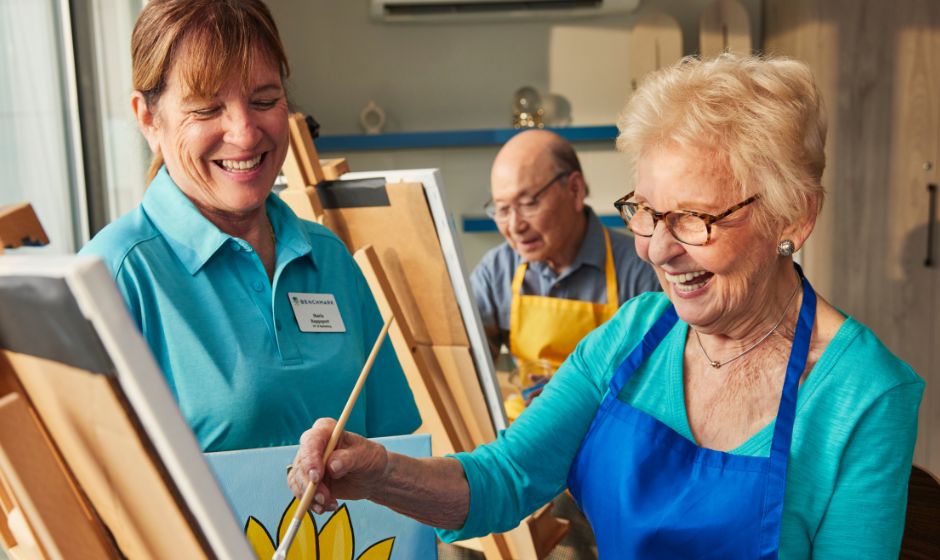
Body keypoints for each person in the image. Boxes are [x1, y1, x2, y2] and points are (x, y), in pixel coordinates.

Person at [288, 53, 924, 559]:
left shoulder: (865, 393)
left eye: (695, 220)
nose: (659, 251)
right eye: (645, 214)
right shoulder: (633, 335)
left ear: (794, 216)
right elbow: (500, 482)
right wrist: (376, 472)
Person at [80, 0, 420, 452]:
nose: (244, 133)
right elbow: (85, 500)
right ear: (148, 118)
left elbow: (393, 454)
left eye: (264, 100)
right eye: (206, 109)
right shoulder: (114, 276)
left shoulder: (328, 257)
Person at [472, 130, 659, 376]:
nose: (515, 226)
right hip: (526, 414)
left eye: (528, 203)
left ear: (575, 190)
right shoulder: (497, 269)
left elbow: (658, 381)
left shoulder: (641, 270)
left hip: (606, 414)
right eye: (503, 209)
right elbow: (467, 364)